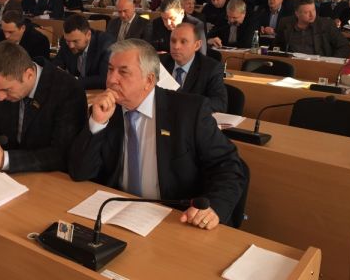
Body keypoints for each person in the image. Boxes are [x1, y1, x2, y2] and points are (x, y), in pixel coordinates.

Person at [68, 39, 247, 230]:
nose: (111, 79)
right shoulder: (106, 110)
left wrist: (215, 207)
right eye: (110, 69)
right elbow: (80, 172)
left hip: (175, 219)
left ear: (149, 80)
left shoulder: (189, 112)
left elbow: (228, 165)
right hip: (116, 212)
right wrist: (97, 123)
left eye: (123, 72)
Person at [0, 41, 87, 173]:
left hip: (48, 177)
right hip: (6, 175)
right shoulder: (3, 85)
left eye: (6, 90)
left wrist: (5, 159)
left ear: (29, 75)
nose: (0, 97)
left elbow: (61, 155)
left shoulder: (68, 90)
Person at [160, 23, 227, 112]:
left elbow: (220, 104)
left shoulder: (211, 68)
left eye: (183, 42)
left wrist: (184, 104)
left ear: (197, 45)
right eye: (173, 41)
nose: (176, 46)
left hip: (190, 117)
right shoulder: (159, 62)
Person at [274, 0, 350, 58]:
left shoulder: (326, 24)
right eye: (306, 12)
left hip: (318, 65)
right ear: (297, 13)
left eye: (313, 10)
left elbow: (345, 46)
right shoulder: (285, 23)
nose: (312, 15)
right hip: (292, 64)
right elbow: (277, 46)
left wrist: (330, 61)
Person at [53, 14, 113, 90]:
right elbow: (57, 63)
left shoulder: (106, 44)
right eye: (67, 41)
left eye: (75, 41)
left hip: (97, 92)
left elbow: (104, 79)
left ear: (88, 35)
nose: (71, 46)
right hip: (74, 91)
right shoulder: (67, 40)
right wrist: (57, 70)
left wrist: (74, 81)